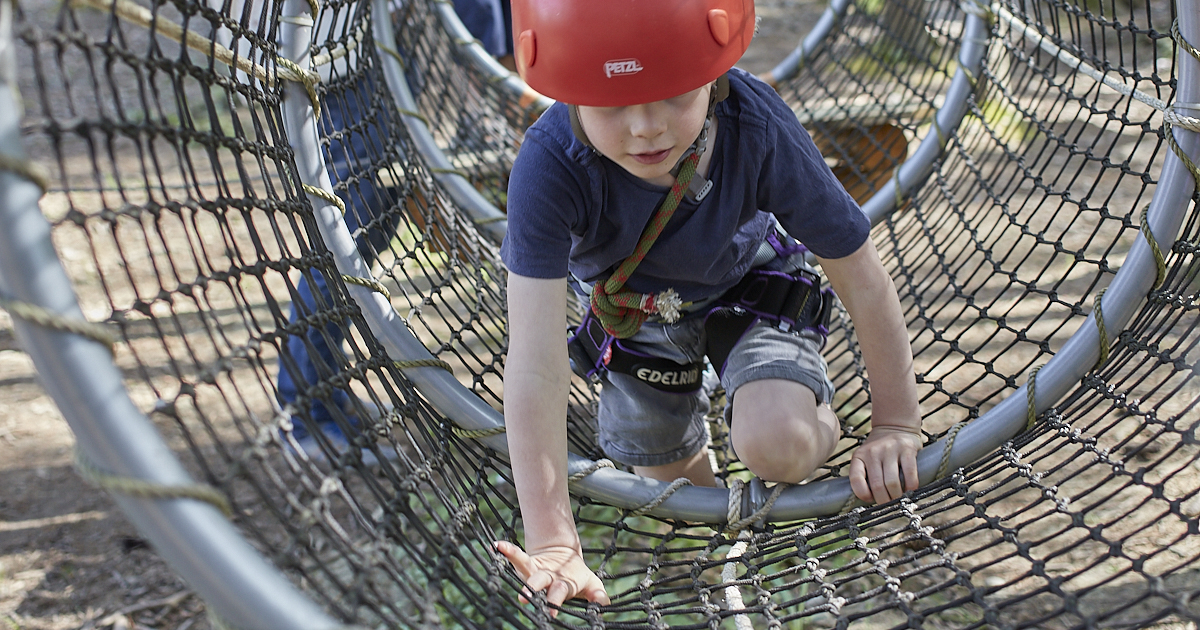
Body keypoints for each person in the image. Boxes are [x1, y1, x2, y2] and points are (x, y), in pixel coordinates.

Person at [494, 0, 923, 614]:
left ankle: (803, 407)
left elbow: (859, 272)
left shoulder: (753, 125)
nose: (647, 128)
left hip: (750, 281)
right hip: (640, 310)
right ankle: (720, 532)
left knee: (780, 445)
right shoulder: (550, 165)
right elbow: (534, 363)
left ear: (713, 76)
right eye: (613, 105)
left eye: (672, 93)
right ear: (569, 92)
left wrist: (894, 424)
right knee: (675, 491)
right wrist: (554, 540)